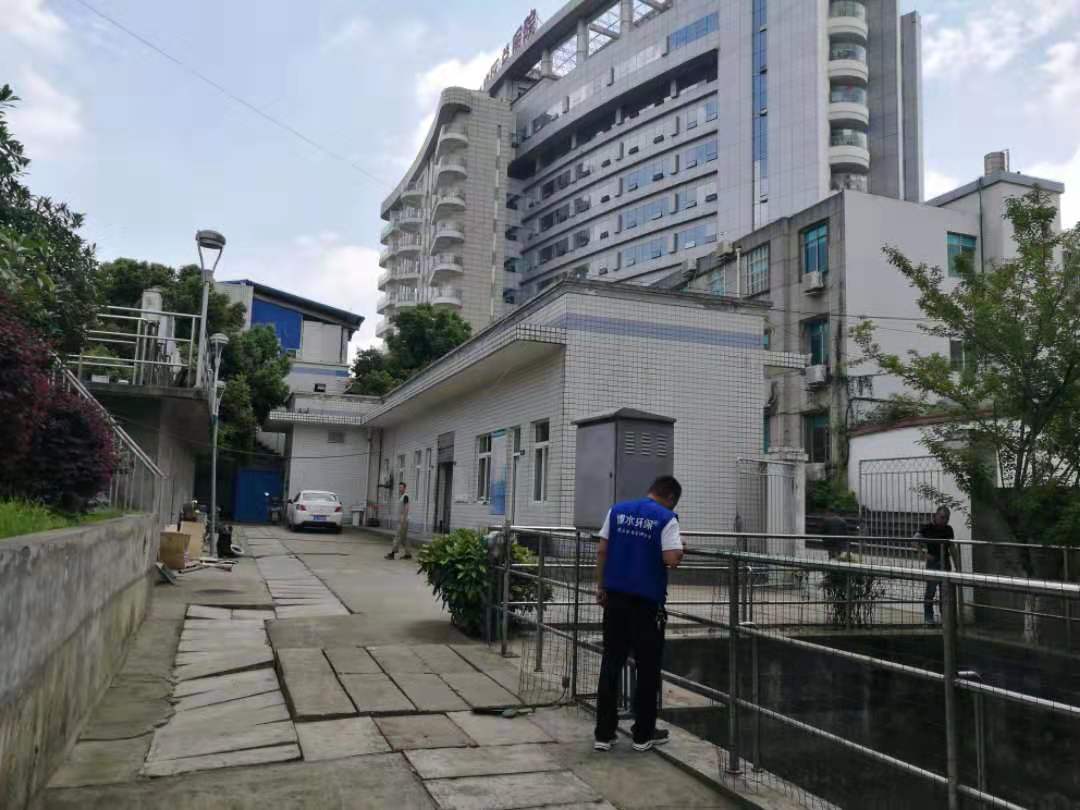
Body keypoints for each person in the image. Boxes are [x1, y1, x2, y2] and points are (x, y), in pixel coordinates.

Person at [593, 475, 684, 753]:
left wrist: (601, 586)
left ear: (651, 490)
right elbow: (671, 558)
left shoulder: (617, 511)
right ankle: (643, 735)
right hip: (647, 604)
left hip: (615, 599)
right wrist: (681, 550)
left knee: (611, 663)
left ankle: (604, 733)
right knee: (647, 669)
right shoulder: (666, 518)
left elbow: (602, 550)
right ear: (670, 498)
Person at [916, 505, 954, 624]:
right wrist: (923, 554)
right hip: (933, 562)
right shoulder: (927, 528)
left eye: (947, 518)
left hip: (945, 562)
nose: (944, 520)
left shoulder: (948, 529)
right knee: (930, 591)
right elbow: (915, 540)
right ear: (936, 516)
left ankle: (945, 618)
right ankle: (929, 618)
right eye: (942, 517)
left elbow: (952, 547)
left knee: (945, 592)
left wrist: (957, 564)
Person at [385, 482, 413, 560]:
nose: (400, 489)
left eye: (401, 487)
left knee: (397, 536)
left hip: (403, 520)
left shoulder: (405, 496)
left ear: (404, 488)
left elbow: (406, 508)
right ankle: (408, 554)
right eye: (399, 487)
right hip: (402, 519)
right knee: (404, 538)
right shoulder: (402, 497)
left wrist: (403, 518)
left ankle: (392, 554)